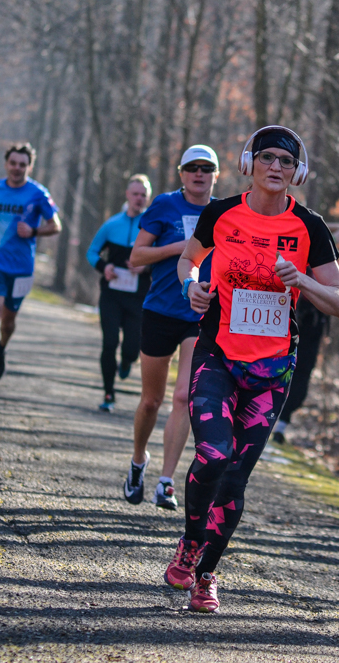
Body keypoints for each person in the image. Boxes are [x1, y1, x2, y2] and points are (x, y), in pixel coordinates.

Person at [166, 126, 339, 612]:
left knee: (235, 478)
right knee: (212, 455)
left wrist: (304, 281)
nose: (275, 167)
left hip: (272, 371)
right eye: (266, 157)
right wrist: (192, 287)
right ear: (249, 163)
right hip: (217, 353)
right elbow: (187, 262)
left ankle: (206, 575)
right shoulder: (221, 213)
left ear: (297, 172)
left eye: (285, 162)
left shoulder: (310, 228)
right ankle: (189, 542)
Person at [123, 145, 220, 510]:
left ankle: (165, 482)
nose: (199, 174)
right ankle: (138, 461)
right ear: (181, 174)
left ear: (215, 175)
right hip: (161, 310)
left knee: (184, 397)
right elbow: (136, 257)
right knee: (151, 400)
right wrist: (181, 248)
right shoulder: (164, 205)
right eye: (192, 168)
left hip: (200, 313)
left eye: (206, 168)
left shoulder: (223, 213)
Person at [0, 142, 61, 393]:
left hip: (22, 266)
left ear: (29, 166)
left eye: (22, 165)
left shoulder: (38, 193)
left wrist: (34, 230)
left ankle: (1, 348)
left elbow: (56, 225)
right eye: (13, 163)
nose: (17, 168)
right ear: (6, 164)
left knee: (8, 320)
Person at [271, 221, 339, 444]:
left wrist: (318, 223)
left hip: (315, 318)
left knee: (303, 369)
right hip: (287, 312)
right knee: (278, 363)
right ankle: (269, 415)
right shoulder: (289, 245)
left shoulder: (320, 245)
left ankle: (282, 422)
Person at [87, 175, 152, 411]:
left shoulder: (153, 226)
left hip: (138, 297)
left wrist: (147, 266)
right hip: (112, 295)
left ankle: (127, 361)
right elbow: (92, 252)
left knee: (132, 347)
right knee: (109, 342)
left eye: (143, 195)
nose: (139, 198)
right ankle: (108, 394)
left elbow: (164, 258)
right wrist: (105, 267)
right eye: (135, 194)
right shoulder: (112, 224)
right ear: (127, 195)